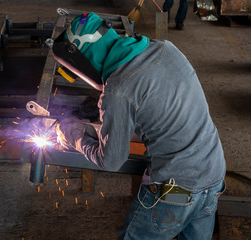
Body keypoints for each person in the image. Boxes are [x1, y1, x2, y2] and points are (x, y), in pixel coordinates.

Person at [53, 12, 226, 240]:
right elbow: (157, 108)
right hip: (213, 179)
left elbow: (112, 161)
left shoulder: (118, 89)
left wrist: (75, 138)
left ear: (85, 61)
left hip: (175, 193)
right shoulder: (165, 48)